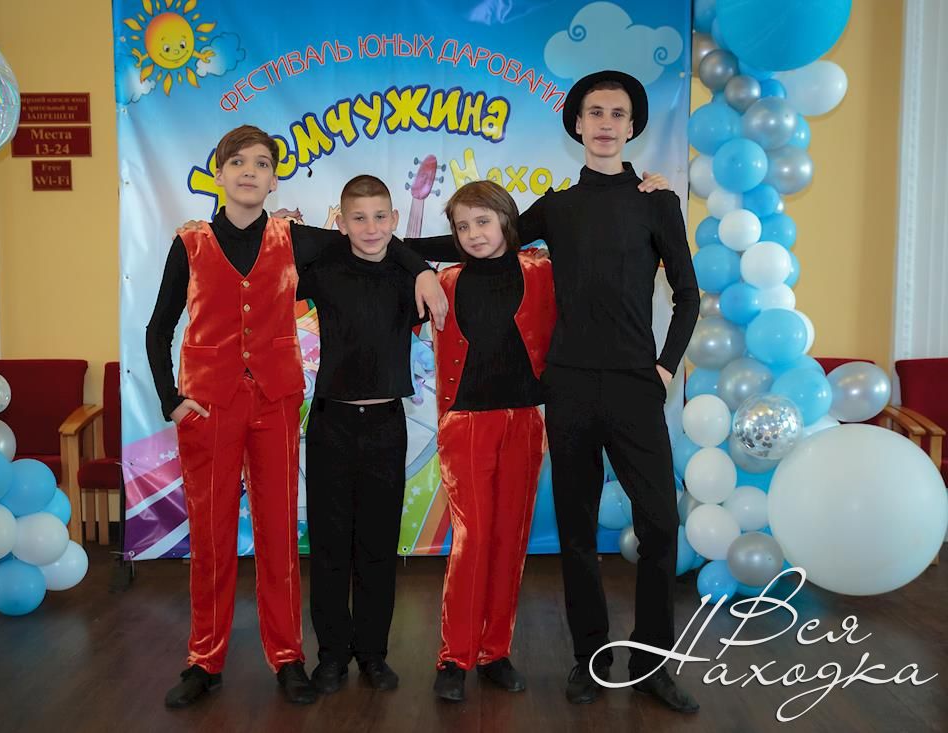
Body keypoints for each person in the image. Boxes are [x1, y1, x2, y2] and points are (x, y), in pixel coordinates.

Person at [408, 70, 700, 713]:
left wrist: (663, 368)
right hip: (568, 387)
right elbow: (480, 241)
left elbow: (687, 294)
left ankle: (652, 663)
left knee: (659, 523)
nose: (605, 123)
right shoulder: (558, 207)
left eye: (617, 113)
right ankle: (590, 659)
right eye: (594, 112)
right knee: (576, 530)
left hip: (635, 385)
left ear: (632, 126)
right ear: (576, 124)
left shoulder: (656, 202)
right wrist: (404, 258)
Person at [147, 126, 444, 708]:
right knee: (211, 539)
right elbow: (159, 328)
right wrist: (170, 398)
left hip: (276, 403)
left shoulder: (295, 238)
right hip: (208, 406)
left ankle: (287, 657)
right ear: (219, 173)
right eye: (238, 162)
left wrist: (424, 270)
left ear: (274, 178)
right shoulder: (190, 242)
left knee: (280, 536)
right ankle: (204, 660)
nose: (249, 172)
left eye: (262, 163)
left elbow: (375, 242)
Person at [296, 175, 429, 695]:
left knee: (377, 546)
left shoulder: (408, 275)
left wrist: (418, 265)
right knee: (330, 547)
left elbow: (447, 256)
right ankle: (331, 655)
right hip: (331, 423)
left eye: (380, 217)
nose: (370, 228)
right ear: (341, 221)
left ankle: (373, 653)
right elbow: (275, 246)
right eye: (358, 218)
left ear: (394, 220)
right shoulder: (324, 269)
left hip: (386, 426)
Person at [430, 180, 555, 702]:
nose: (473, 234)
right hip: (466, 423)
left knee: (509, 540)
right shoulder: (443, 280)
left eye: (482, 221)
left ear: (506, 219)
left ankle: (494, 652)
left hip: (524, 420)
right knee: (472, 540)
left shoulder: (542, 271)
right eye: (462, 226)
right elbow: (383, 254)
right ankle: (454, 657)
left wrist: (648, 187)